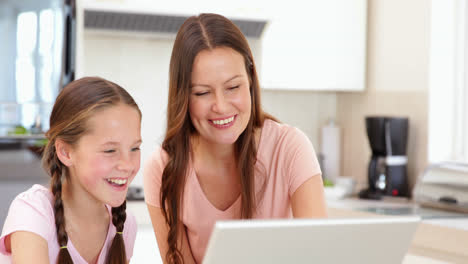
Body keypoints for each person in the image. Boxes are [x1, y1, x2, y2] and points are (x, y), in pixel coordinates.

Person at [144, 13, 327, 264]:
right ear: (183, 98)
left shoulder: (290, 148)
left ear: (251, 82)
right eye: (202, 93)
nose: (220, 106)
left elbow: (318, 254)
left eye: (233, 87)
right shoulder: (163, 168)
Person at [0, 77, 142, 264]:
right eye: (110, 150)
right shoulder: (34, 213)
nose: (127, 165)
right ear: (65, 152)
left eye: (134, 148)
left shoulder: (124, 225)